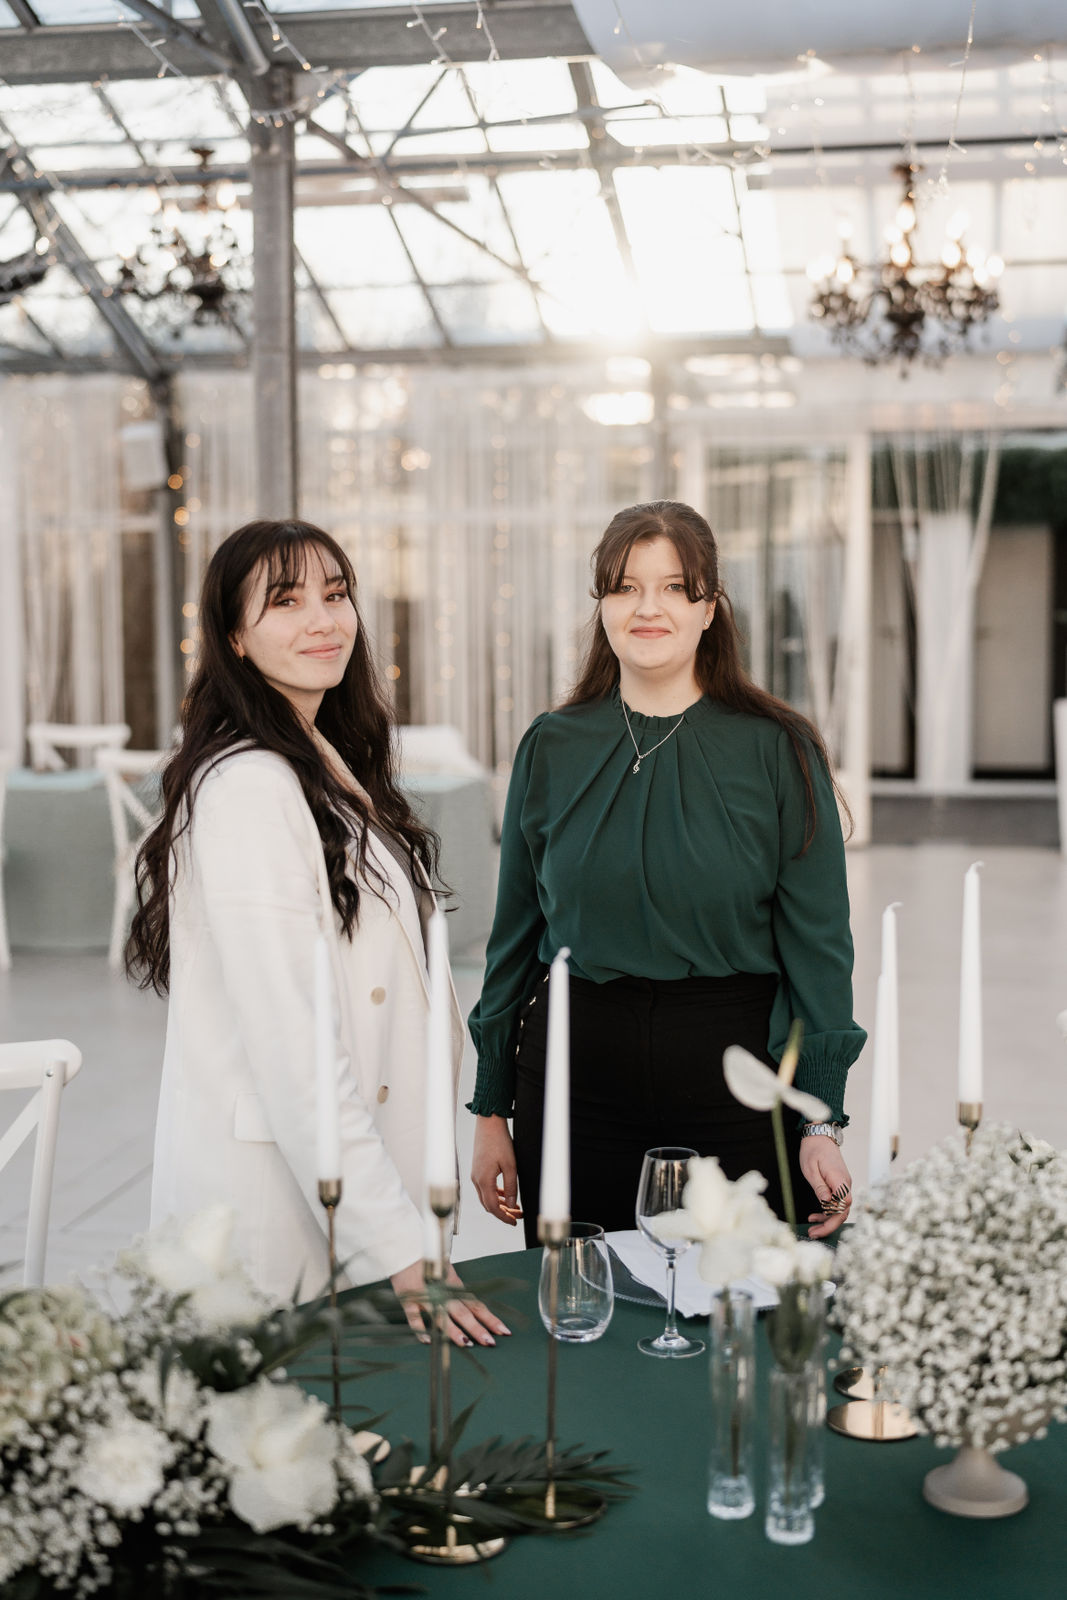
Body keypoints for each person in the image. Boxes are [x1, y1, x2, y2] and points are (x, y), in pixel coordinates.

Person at [128, 519, 507, 1347]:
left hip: (352, 1184)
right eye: (286, 601)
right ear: (234, 635)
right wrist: (404, 1255)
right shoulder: (247, 785)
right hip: (281, 1204)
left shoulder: (321, 761)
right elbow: (292, 1047)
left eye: (336, 596)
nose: (323, 621)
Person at [469, 500, 865, 1247]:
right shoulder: (551, 746)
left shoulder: (777, 749)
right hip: (574, 1073)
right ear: (602, 606)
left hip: (737, 1074)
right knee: (583, 1321)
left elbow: (819, 947)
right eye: (624, 587)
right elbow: (513, 939)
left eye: (675, 587)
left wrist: (819, 1115)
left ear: (709, 607)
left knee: (739, 1315)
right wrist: (492, 1108)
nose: (647, 607)